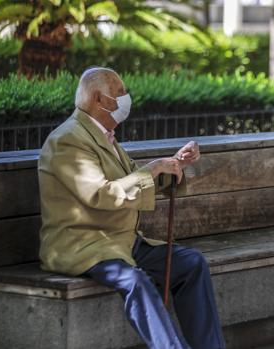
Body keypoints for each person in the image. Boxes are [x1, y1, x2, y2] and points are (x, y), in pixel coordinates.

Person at [37, 67, 226, 349]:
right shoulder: (68, 139)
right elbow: (102, 194)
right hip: (84, 245)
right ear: (99, 100)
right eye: (120, 93)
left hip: (122, 242)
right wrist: (151, 170)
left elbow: (132, 182)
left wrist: (174, 165)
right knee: (135, 281)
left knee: (191, 264)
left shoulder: (103, 135)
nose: (126, 98)